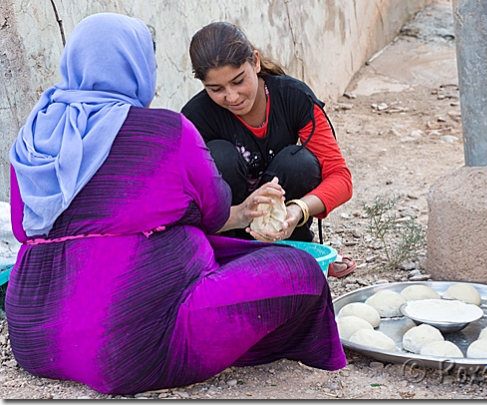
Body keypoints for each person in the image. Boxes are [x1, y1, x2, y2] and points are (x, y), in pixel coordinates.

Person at [6, 13, 346, 395]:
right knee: (298, 271)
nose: (231, 97)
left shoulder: (34, 137)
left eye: (239, 82)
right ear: (137, 68)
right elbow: (215, 212)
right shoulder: (167, 129)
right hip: (129, 347)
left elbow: (24, 228)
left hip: (35, 335)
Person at [181, 22, 356, 278]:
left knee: (300, 163)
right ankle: (233, 260)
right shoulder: (195, 119)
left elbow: (340, 178)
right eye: (215, 89)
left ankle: (300, 251)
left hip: (284, 227)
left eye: (238, 81)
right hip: (228, 234)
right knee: (220, 158)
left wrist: (298, 210)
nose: (232, 97)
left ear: (256, 62)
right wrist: (238, 215)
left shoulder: (293, 97)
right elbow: (184, 207)